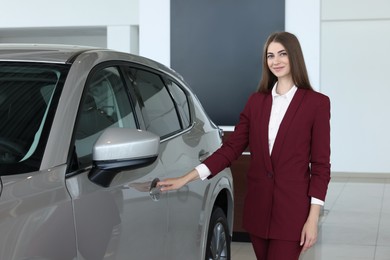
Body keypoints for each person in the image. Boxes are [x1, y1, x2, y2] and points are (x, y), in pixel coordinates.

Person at [158, 31, 331, 260]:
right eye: (270, 56)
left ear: (294, 56)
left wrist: (313, 218)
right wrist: (186, 178)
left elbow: (320, 166)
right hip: (258, 211)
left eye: (282, 54)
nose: (275, 61)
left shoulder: (316, 103)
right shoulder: (256, 102)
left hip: (292, 214)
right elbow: (231, 149)